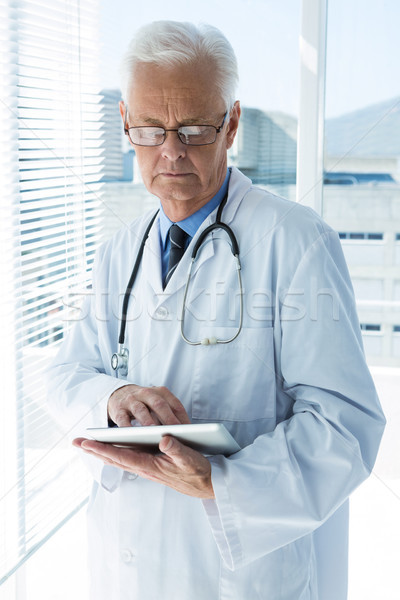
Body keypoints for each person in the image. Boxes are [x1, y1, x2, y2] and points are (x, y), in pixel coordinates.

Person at [47, 20, 385, 600]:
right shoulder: (118, 250)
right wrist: (112, 397)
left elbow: (346, 427)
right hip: (124, 568)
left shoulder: (296, 241)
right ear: (126, 125)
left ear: (232, 124)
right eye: (151, 130)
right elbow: (64, 374)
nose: (171, 150)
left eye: (195, 129)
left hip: (235, 575)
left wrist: (224, 483)